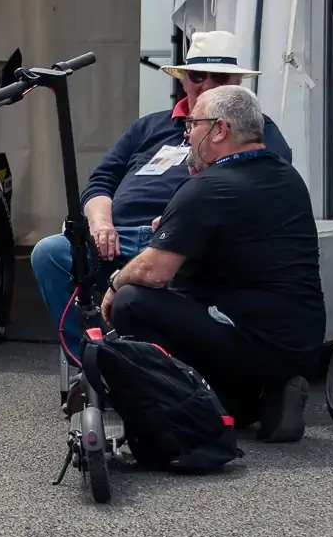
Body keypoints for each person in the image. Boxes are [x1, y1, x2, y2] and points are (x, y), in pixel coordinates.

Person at [29, 30, 290, 366]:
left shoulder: (254, 129)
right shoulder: (149, 126)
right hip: (117, 236)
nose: (207, 85)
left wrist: (183, 227)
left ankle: (161, 370)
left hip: (183, 241)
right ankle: (92, 362)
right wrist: (100, 222)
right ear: (183, 79)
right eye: (197, 75)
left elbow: (265, 186)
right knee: (49, 253)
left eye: (220, 77)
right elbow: (100, 181)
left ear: (237, 82)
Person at [100, 84, 323, 443]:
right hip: (298, 343)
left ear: (219, 130)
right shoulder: (287, 178)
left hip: (246, 338)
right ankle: (263, 394)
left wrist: (113, 284)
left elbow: (153, 272)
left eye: (192, 126)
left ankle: (195, 405)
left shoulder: (208, 187)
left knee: (133, 301)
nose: (187, 136)